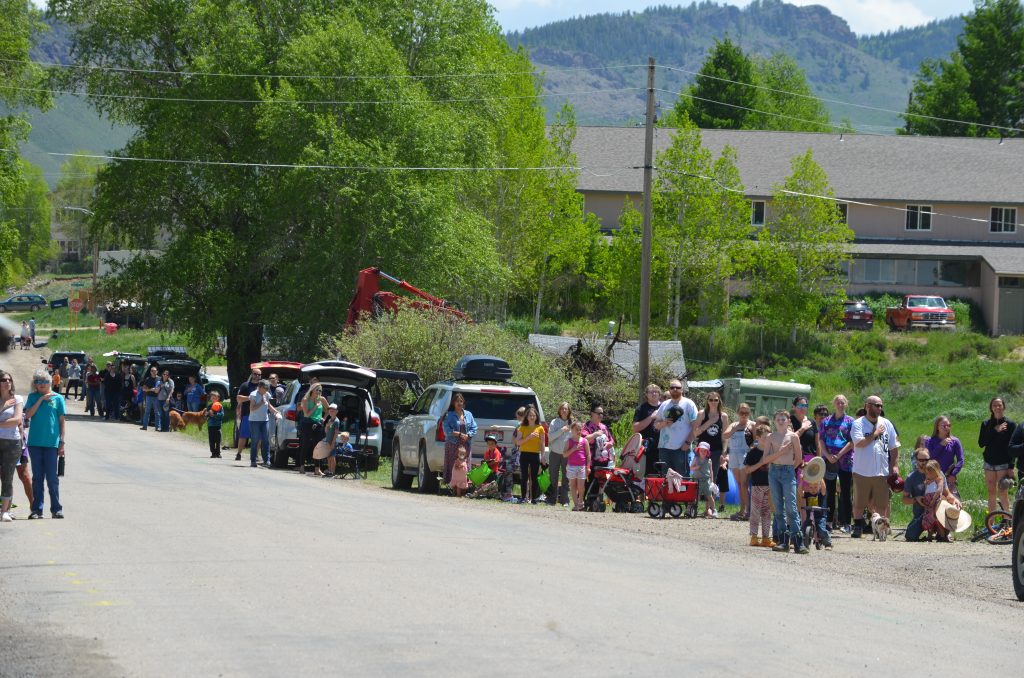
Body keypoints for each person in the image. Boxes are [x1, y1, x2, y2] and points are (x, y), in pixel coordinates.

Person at [850, 395, 900, 538]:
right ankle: (858, 526)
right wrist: (875, 433)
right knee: (859, 502)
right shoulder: (858, 424)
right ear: (867, 406)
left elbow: (894, 447)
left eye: (881, 406)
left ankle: (881, 529)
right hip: (862, 471)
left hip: (881, 471)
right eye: (876, 405)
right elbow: (859, 443)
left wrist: (894, 465)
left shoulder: (887, 423)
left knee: (882, 503)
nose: (879, 408)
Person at [24, 369, 66, 519]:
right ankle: (36, 509)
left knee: (52, 478)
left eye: (44, 382)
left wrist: (62, 442)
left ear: (50, 382)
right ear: (34, 384)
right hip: (35, 443)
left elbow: (62, 421)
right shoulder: (33, 397)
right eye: (38, 382)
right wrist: (41, 400)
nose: (41, 385)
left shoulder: (58, 398)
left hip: (52, 444)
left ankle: (56, 508)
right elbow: (28, 415)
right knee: (37, 478)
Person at [760, 410, 804, 553]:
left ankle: (798, 541)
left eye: (783, 419)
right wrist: (781, 452)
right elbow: (765, 459)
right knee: (778, 507)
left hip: (788, 471)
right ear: (774, 421)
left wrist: (790, 468)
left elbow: (798, 458)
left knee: (791, 506)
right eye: (778, 419)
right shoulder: (771, 437)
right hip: (773, 472)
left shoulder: (793, 437)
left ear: (788, 421)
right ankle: (783, 540)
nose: (780, 421)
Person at [819, 395, 854, 533]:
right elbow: (821, 439)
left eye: (843, 402)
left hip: (845, 460)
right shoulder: (826, 421)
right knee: (829, 491)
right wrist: (827, 455)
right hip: (829, 460)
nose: (840, 404)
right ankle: (828, 521)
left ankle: (846, 523)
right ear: (834, 404)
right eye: (838, 402)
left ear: (846, 404)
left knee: (845, 492)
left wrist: (839, 455)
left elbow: (852, 441)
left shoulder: (851, 421)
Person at [978, 397, 1015, 513]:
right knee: (991, 493)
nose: (997, 407)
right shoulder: (986, 424)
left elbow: (1013, 446)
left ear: (1003, 407)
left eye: (999, 405)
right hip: (989, 463)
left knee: (1003, 493)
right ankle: (991, 523)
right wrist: (995, 430)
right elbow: (981, 443)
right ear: (991, 408)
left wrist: (1011, 466)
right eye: (995, 405)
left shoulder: (1011, 424)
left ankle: (1007, 521)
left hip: (1003, 463)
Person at [694, 391, 730, 513]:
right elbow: (695, 433)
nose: (713, 402)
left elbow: (725, 436)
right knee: (697, 477)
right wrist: (709, 422)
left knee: (712, 479)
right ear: (707, 401)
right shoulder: (702, 414)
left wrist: (724, 452)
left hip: (716, 450)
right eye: (711, 400)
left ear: (719, 401)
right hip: (701, 451)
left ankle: (708, 508)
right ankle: (693, 506)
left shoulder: (723, 416)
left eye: (716, 400)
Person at [654, 380, 698, 477]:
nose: (675, 389)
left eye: (677, 387)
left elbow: (696, 426)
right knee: (666, 479)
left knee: (682, 479)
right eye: (672, 387)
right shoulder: (664, 404)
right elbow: (656, 424)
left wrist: (687, 443)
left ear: (682, 390)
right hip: (664, 448)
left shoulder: (688, 404)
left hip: (681, 448)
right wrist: (664, 423)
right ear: (669, 390)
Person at [0, 371, 25, 522]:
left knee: (7, 477)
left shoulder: (17, 399)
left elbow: (16, 420)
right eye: (3, 379)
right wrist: (3, 407)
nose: (7, 382)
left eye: (9, 379)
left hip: (12, 442)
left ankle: (5, 511)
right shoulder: (4, 402)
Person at [743, 424, 773, 547]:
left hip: (770, 485)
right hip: (756, 485)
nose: (767, 440)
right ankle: (754, 536)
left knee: (767, 512)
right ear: (758, 438)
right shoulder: (753, 453)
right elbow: (747, 470)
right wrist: (761, 463)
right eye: (764, 437)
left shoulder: (772, 452)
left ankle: (766, 537)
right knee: (755, 512)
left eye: (769, 437)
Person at [723, 402, 754, 521]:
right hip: (734, 455)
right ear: (737, 413)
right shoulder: (734, 424)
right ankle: (742, 509)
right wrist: (736, 427)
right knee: (739, 484)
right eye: (742, 412)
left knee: (745, 484)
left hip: (745, 454)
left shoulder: (752, 425)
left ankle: (747, 510)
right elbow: (725, 435)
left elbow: (756, 440)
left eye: (746, 413)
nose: (744, 415)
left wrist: (751, 451)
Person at [920, 460, 961, 542]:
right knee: (929, 517)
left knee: (938, 518)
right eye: (927, 473)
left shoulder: (939, 479)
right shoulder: (929, 479)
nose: (928, 475)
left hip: (935, 501)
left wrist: (933, 499)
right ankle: (929, 535)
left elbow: (939, 490)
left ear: (936, 472)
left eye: (930, 473)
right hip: (928, 501)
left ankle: (943, 535)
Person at [442, 393, 477, 485]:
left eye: (461, 401)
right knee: (453, 465)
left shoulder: (468, 414)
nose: (459, 403)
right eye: (457, 401)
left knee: (465, 465)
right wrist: (458, 434)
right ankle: (452, 485)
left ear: (463, 403)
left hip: (466, 445)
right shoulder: (448, 415)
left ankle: (464, 486)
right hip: (453, 444)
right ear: (453, 403)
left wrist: (468, 435)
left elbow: (474, 427)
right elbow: (446, 429)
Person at [926, 415, 964, 498]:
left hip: (949, 477)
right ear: (937, 427)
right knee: (934, 504)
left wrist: (953, 474)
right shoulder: (930, 441)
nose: (947, 428)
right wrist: (941, 445)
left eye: (949, 425)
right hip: (933, 477)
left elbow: (961, 460)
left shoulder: (955, 441)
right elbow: (930, 458)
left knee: (953, 503)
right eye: (944, 426)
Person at [515, 406, 545, 504]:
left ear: (536, 416)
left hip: (535, 454)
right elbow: (518, 442)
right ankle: (523, 497)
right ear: (526, 417)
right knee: (524, 476)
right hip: (524, 454)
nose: (532, 417)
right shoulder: (522, 427)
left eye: (534, 415)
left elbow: (542, 443)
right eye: (530, 415)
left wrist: (543, 455)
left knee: (534, 477)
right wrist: (528, 437)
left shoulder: (540, 428)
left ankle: (534, 498)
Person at [800, 457, 832, 550]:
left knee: (821, 529)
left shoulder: (820, 494)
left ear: (818, 487)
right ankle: (800, 542)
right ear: (808, 487)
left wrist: (820, 476)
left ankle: (828, 543)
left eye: (815, 487)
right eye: (811, 487)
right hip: (809, 515)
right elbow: (800, 491)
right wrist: (802, 480)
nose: (813, 489)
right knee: (804, 527)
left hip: (820, 515)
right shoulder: (807, 493)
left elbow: (824, 488)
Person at [632, 384, 663, 476]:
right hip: (648, 448)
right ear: (646, 394)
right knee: (649, 475)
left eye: (656, 391)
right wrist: (651, 417)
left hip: (664, 447)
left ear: (659, 394)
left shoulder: (665, 406)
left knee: (663, 475)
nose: (654, 394)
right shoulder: (641, 408)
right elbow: (635, 428)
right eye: (651, 392)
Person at [901, 444, 930, 542]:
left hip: (936, 512)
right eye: (921, 460)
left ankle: (942, 532)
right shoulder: (911, 477)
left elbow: (946, 493)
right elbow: (904, 500)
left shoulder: (938, 473)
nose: (924, 462)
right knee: (910, 536)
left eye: (926, 459)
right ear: (916, 460)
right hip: (921, 514)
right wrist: (915, 499)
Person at [297, 383, 327, 474]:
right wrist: (315, 406)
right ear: (312, 390)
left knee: (317, 446)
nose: (318, 392)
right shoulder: (305, 399)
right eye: (317, 390)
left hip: (318, 424)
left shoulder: (322, 399)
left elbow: (329, 409)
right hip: (307, 423)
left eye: (320, 390)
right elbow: (306, 414)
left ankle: (317, 469)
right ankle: (301, 466)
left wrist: (324, 418)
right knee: (305, 445)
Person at [547, 402, 572, 507]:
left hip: (567, 454)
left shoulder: (572, 423)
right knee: (553, 476)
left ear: (569, 411)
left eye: (566, 409)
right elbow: (550, 437)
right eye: (562, 409)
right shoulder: (554, 422)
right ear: (559, 410)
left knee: (566, 477)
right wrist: (561, 430)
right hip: (555, 453)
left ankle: (565, 500)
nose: (564, 410)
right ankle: (552, 499)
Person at [247, 379, 277, 468]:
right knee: (255, 440)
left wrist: (276, 412)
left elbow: (268, 405)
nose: (266, 390)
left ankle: (266, 460)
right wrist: (261, 403)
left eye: (267, 388)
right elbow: (252, 408)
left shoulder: (266, 394)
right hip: (254, 421)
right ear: (259, 387)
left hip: (265, 420)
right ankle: (253, 460)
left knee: (266, 440)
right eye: (265, 388)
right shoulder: (253, 395)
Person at [235, 367, 263, 461]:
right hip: (247, 414)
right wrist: (249, 397)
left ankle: (255, 455)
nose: (257, 376)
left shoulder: (262, 386)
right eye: (255, 374)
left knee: (258, 437)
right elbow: (238, 398)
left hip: (260, 416)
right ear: (252, 374)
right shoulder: (245, 385)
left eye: (259, 375)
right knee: (243, 435)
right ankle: (239, 453)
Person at [564, 421, 591, 511]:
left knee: (581, 486)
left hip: (582, 467)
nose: (579, 431)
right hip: (571, 466)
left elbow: (588, 455)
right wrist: (573, 449)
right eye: (576, 429)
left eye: (580, 429)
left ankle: (580, 501)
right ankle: (576, 504)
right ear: (572, 430)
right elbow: (564, 454)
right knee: (573, 485)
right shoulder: (569, 441)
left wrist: (588, 466)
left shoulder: (584, 441)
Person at [691, 441, 716, 518]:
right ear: (698, 451)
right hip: (697, 480)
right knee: (696, 496)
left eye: (705, 451)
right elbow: (691, 467)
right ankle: (694, 509)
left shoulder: (709, 460)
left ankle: (713, 510)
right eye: (701, 450)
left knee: (709, 496)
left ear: (707, 452)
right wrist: (696, 468)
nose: (703, 452)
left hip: (706, 480)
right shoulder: (696, 459)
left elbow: (711, 471)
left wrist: (712, 481)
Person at [139, 365, 161, 431]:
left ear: (157, 371)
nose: (153, 372)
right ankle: (144, 426)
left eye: (154, 371)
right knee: (147, 412)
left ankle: (157, 427)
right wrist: (151, 389)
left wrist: (155, 389)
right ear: (150, 372)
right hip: (149, 397)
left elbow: (161, 388)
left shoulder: (160, 379)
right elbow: (144, 389)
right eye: (152, 371)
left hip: (157, 398)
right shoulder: (148, 379)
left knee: (157, 413)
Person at [206, 394, 224, 458]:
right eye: (212, 398)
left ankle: (218, 453)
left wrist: (215, 414)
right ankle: (213, 453)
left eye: (215, 398)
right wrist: (208, 413)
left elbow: (222, 415)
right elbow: (206, 415)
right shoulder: (209, 406)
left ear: (218, 399)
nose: (214, 399)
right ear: (211, 398)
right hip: (211, 425)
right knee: (211, 440)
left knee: (218, 440)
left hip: (218, 425)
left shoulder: (220, 406)